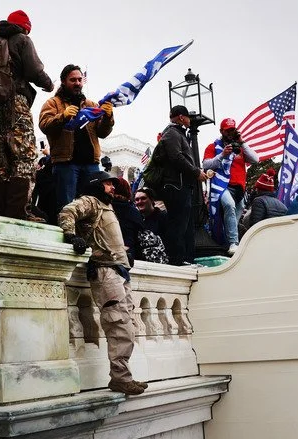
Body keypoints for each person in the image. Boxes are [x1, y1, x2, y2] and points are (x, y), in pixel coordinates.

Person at [58, 171, 148, 396]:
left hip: (118, 271)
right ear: (96, 185)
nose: (112, 187)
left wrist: (125, 256)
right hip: (105, 271)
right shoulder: (90, 202)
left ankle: (123, 376)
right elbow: (67, 212)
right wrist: (71, 236)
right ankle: (121, 379)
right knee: (119, 324)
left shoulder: (106, 206)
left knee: (127, 325)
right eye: (108, 184)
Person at [0, 10, 53, 221]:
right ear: (25, 27)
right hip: (15, 104)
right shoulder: (21, 39)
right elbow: (34, 70)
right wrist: (48, 84)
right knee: (24, 156)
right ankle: (17, 213)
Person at [38, 64, 114, 212]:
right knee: (67, 208)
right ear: (63, 81)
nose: (77, 83)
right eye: (73, 80)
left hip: (91, 164)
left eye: (80, 80)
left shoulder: (91, 105)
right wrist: (63, 117)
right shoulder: (53, 103)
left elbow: (103, 133)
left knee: (93, 207)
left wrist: (108, 117)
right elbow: (44, 125)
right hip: (66, 164)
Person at [157, 105, 211, 265]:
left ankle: (186, 259)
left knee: (185, 224)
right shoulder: (172, 133)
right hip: (176, 186)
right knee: (179, 224)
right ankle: (177, 260)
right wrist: (196, 172)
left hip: (181, 185)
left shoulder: (177, 133)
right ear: (181, 117)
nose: (190, 121)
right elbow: (176, 157)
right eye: (188, 117)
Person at [202, 118, 259, 254]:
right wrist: (222, 154)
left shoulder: (239, 148)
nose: (230, 133)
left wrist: (242, 142)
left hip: (240, 189)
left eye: (232, 130)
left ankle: (226, 246)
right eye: (227, 130)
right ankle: (234, 243)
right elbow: (206, 165)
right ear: (221, 131)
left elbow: (255, 159)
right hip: (222, 186)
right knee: (229, 205)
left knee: (233, 220)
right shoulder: (213, 147)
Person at [241, 171, 287, 236]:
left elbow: (254, 226)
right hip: (279, 236)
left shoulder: (259, 201)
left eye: (256, 188)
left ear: (259, 189)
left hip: (263, 236)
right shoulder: (281, 204)